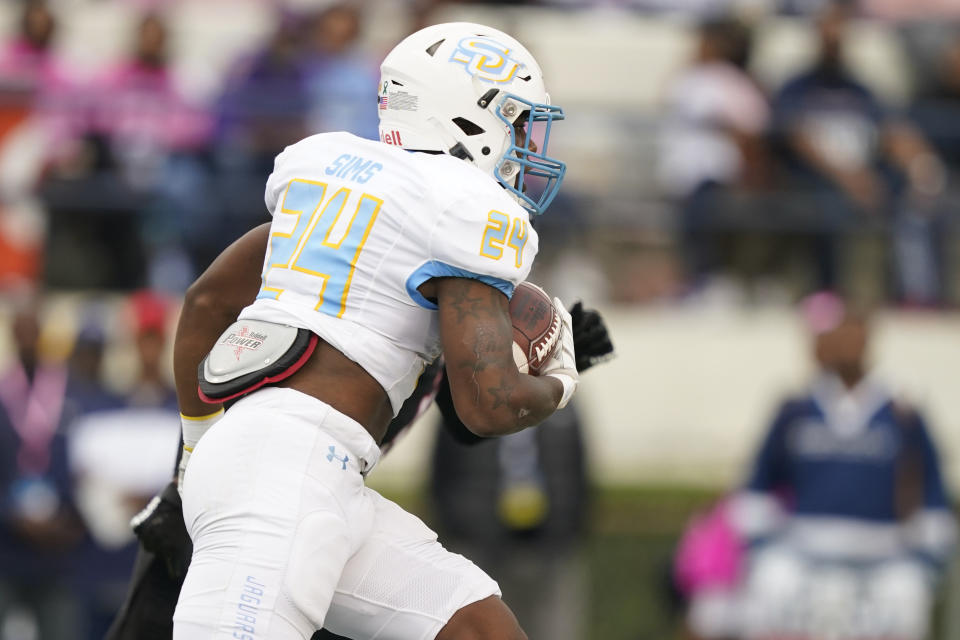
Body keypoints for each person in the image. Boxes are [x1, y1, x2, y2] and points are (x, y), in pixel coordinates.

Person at [166, 22, 579, 640]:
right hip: (288, 470)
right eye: (518, 123)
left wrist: (200, 450)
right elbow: (489, 404)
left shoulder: (337, 168)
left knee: (480, 630)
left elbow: (205, 303)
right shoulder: (463, 206)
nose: (525, 144)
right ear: (469, 117)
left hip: (305, 468)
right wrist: (561, 377)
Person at [732, 293, 956, 639]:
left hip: (884, 556)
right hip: (805, 552)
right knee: (771, 585)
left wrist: (926, 556)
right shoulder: (796, 410)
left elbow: (932, 491)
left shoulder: (902, 412)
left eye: (853, 335)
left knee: (906, 597)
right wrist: (761, 543)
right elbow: (757, 486)